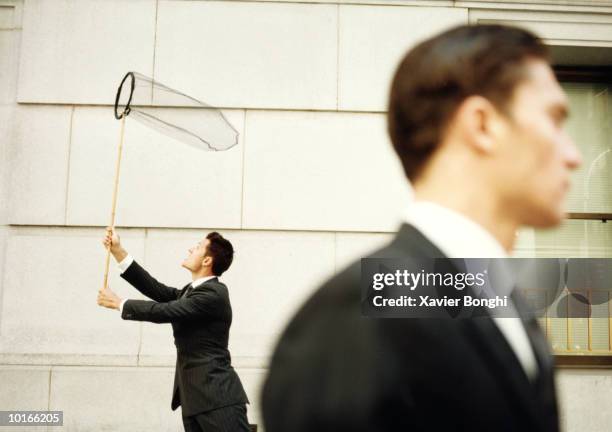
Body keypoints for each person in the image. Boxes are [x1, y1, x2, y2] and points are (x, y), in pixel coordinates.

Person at [261, 24, 582, 432]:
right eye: (554, 118)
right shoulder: (359, 309)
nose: (572, 155)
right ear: (482, 124)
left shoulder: (505, 301)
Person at [97, 228, 250, 432]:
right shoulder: (190, 291)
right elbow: (154, 288)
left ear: (207, 261)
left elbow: (166, 311)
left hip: (218, 399)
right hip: (193, 401)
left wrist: (120, 303)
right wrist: (118, 251)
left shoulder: (214, 294)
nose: (190, 249)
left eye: (197, 247)